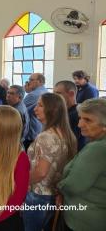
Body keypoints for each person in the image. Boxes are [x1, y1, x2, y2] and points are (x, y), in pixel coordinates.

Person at [23, 93, 77, 231]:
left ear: (52, 110)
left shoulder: (46, 136)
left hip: (39, 194)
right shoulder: (67, 134)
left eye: (40, 105)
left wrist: (20, 182)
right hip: (55, 193)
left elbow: (41, 172)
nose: (35, 108)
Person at [58, 98, 106, 231]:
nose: (79, 124)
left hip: (84, 220)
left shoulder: (98, 149)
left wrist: (59, 186)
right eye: (80, 118)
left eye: (88, 120)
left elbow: (73, 186)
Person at [54, 80, 87, 151]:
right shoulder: (65, 112)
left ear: (71, 94)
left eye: (58, 94)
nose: (55, 97)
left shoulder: (76, 114)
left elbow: (70, 143)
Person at [23, 73, 48, 150]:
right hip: (39, 128)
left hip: (31, 131)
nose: (28, 82)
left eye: (31, 80)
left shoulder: (33, 94)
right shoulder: (45, 91)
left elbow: (21, 110)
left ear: (40, 81)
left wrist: (25, 92)